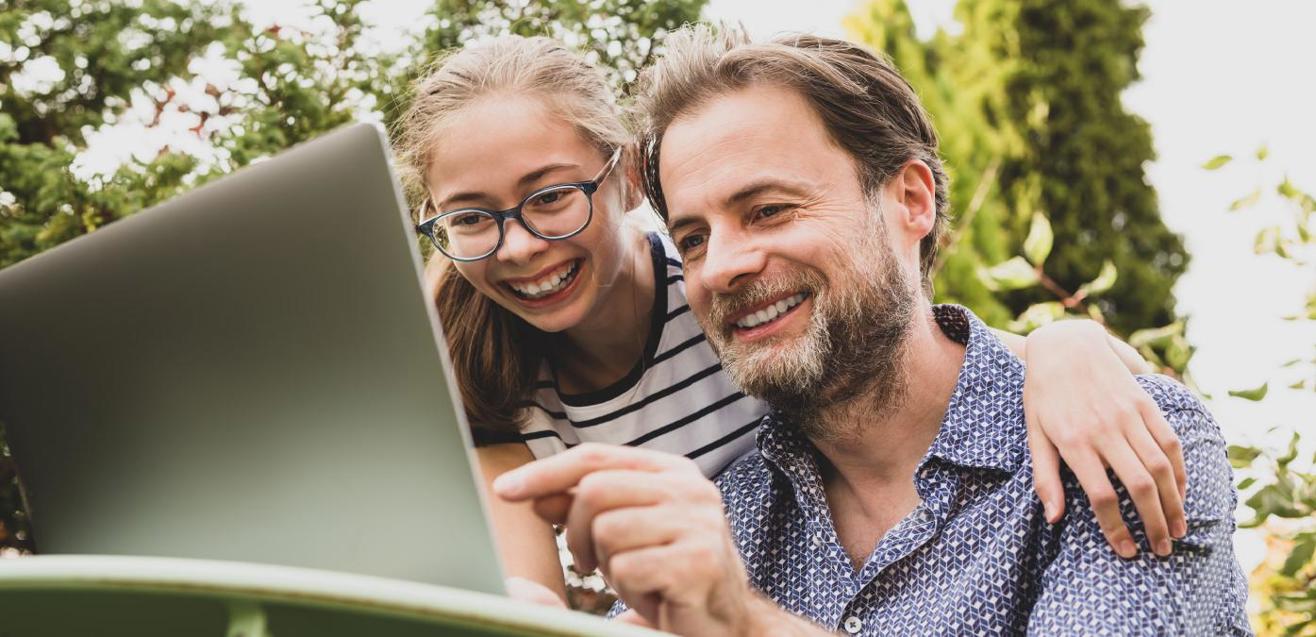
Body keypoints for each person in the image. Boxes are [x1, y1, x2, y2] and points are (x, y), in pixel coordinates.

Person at [492, 26, 1251, 635]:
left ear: (911, 200)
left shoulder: (1121, 443)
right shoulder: (728, 523)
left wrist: (742, 624)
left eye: (769, 210)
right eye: (691, 238)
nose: (721, 266)